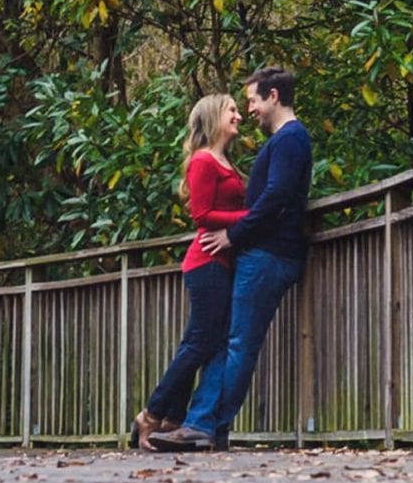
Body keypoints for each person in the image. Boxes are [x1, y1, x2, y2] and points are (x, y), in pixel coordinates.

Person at [150, 66, 313, 451]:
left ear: (274, 96)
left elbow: (275, 199)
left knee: (236, 343)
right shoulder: (282, 141)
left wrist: (233, 235)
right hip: (261, 253)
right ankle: (201, 424)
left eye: (254, 99)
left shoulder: (291, 139)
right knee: (228, 341)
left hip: (269, 254)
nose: (249, 108)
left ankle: (204, 425)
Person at [131, 93, 249, 450]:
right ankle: (150, 414)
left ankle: (171, 418)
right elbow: (201, 216)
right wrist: (251, 220)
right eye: (232, 109)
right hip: (206, 262)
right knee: (200, 342)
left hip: (222, 262)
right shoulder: (203, 161)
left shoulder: (224, 160)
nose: (239, 116)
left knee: (204, 342)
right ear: (214, 116)